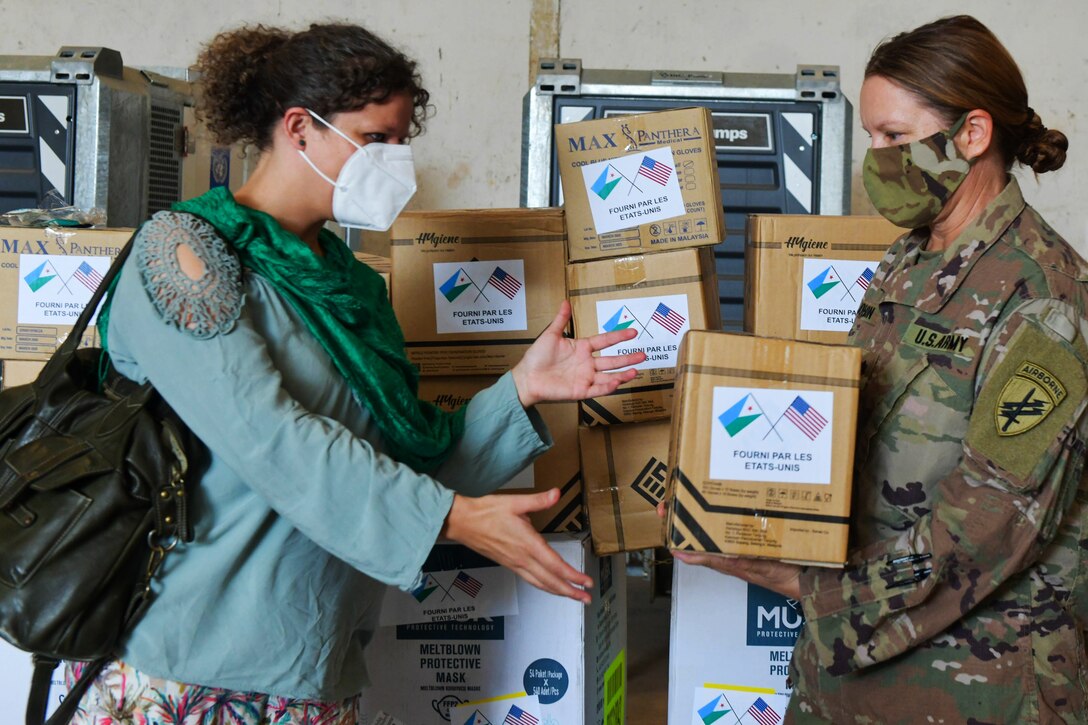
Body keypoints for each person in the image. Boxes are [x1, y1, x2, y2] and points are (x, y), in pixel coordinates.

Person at [63, 22, 644, 724]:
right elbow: (275, 440)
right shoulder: (185, 255)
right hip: (184, 667)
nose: (397, 162)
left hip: (314, 670)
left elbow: (397, 472)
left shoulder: (350, 289)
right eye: (377, 140)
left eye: (403, 141)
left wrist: (521, 388)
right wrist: (456, 520)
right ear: (300, 128)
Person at [674, 14, 1088, 724]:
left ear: (973, 134)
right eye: (871, 136)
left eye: (892, 137)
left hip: (976, 686)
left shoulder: (1044, 295)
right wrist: (747, 512)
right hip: (848, 672)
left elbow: (991, 521)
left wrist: (805, 584)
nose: (875, 156)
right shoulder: (908, 259)